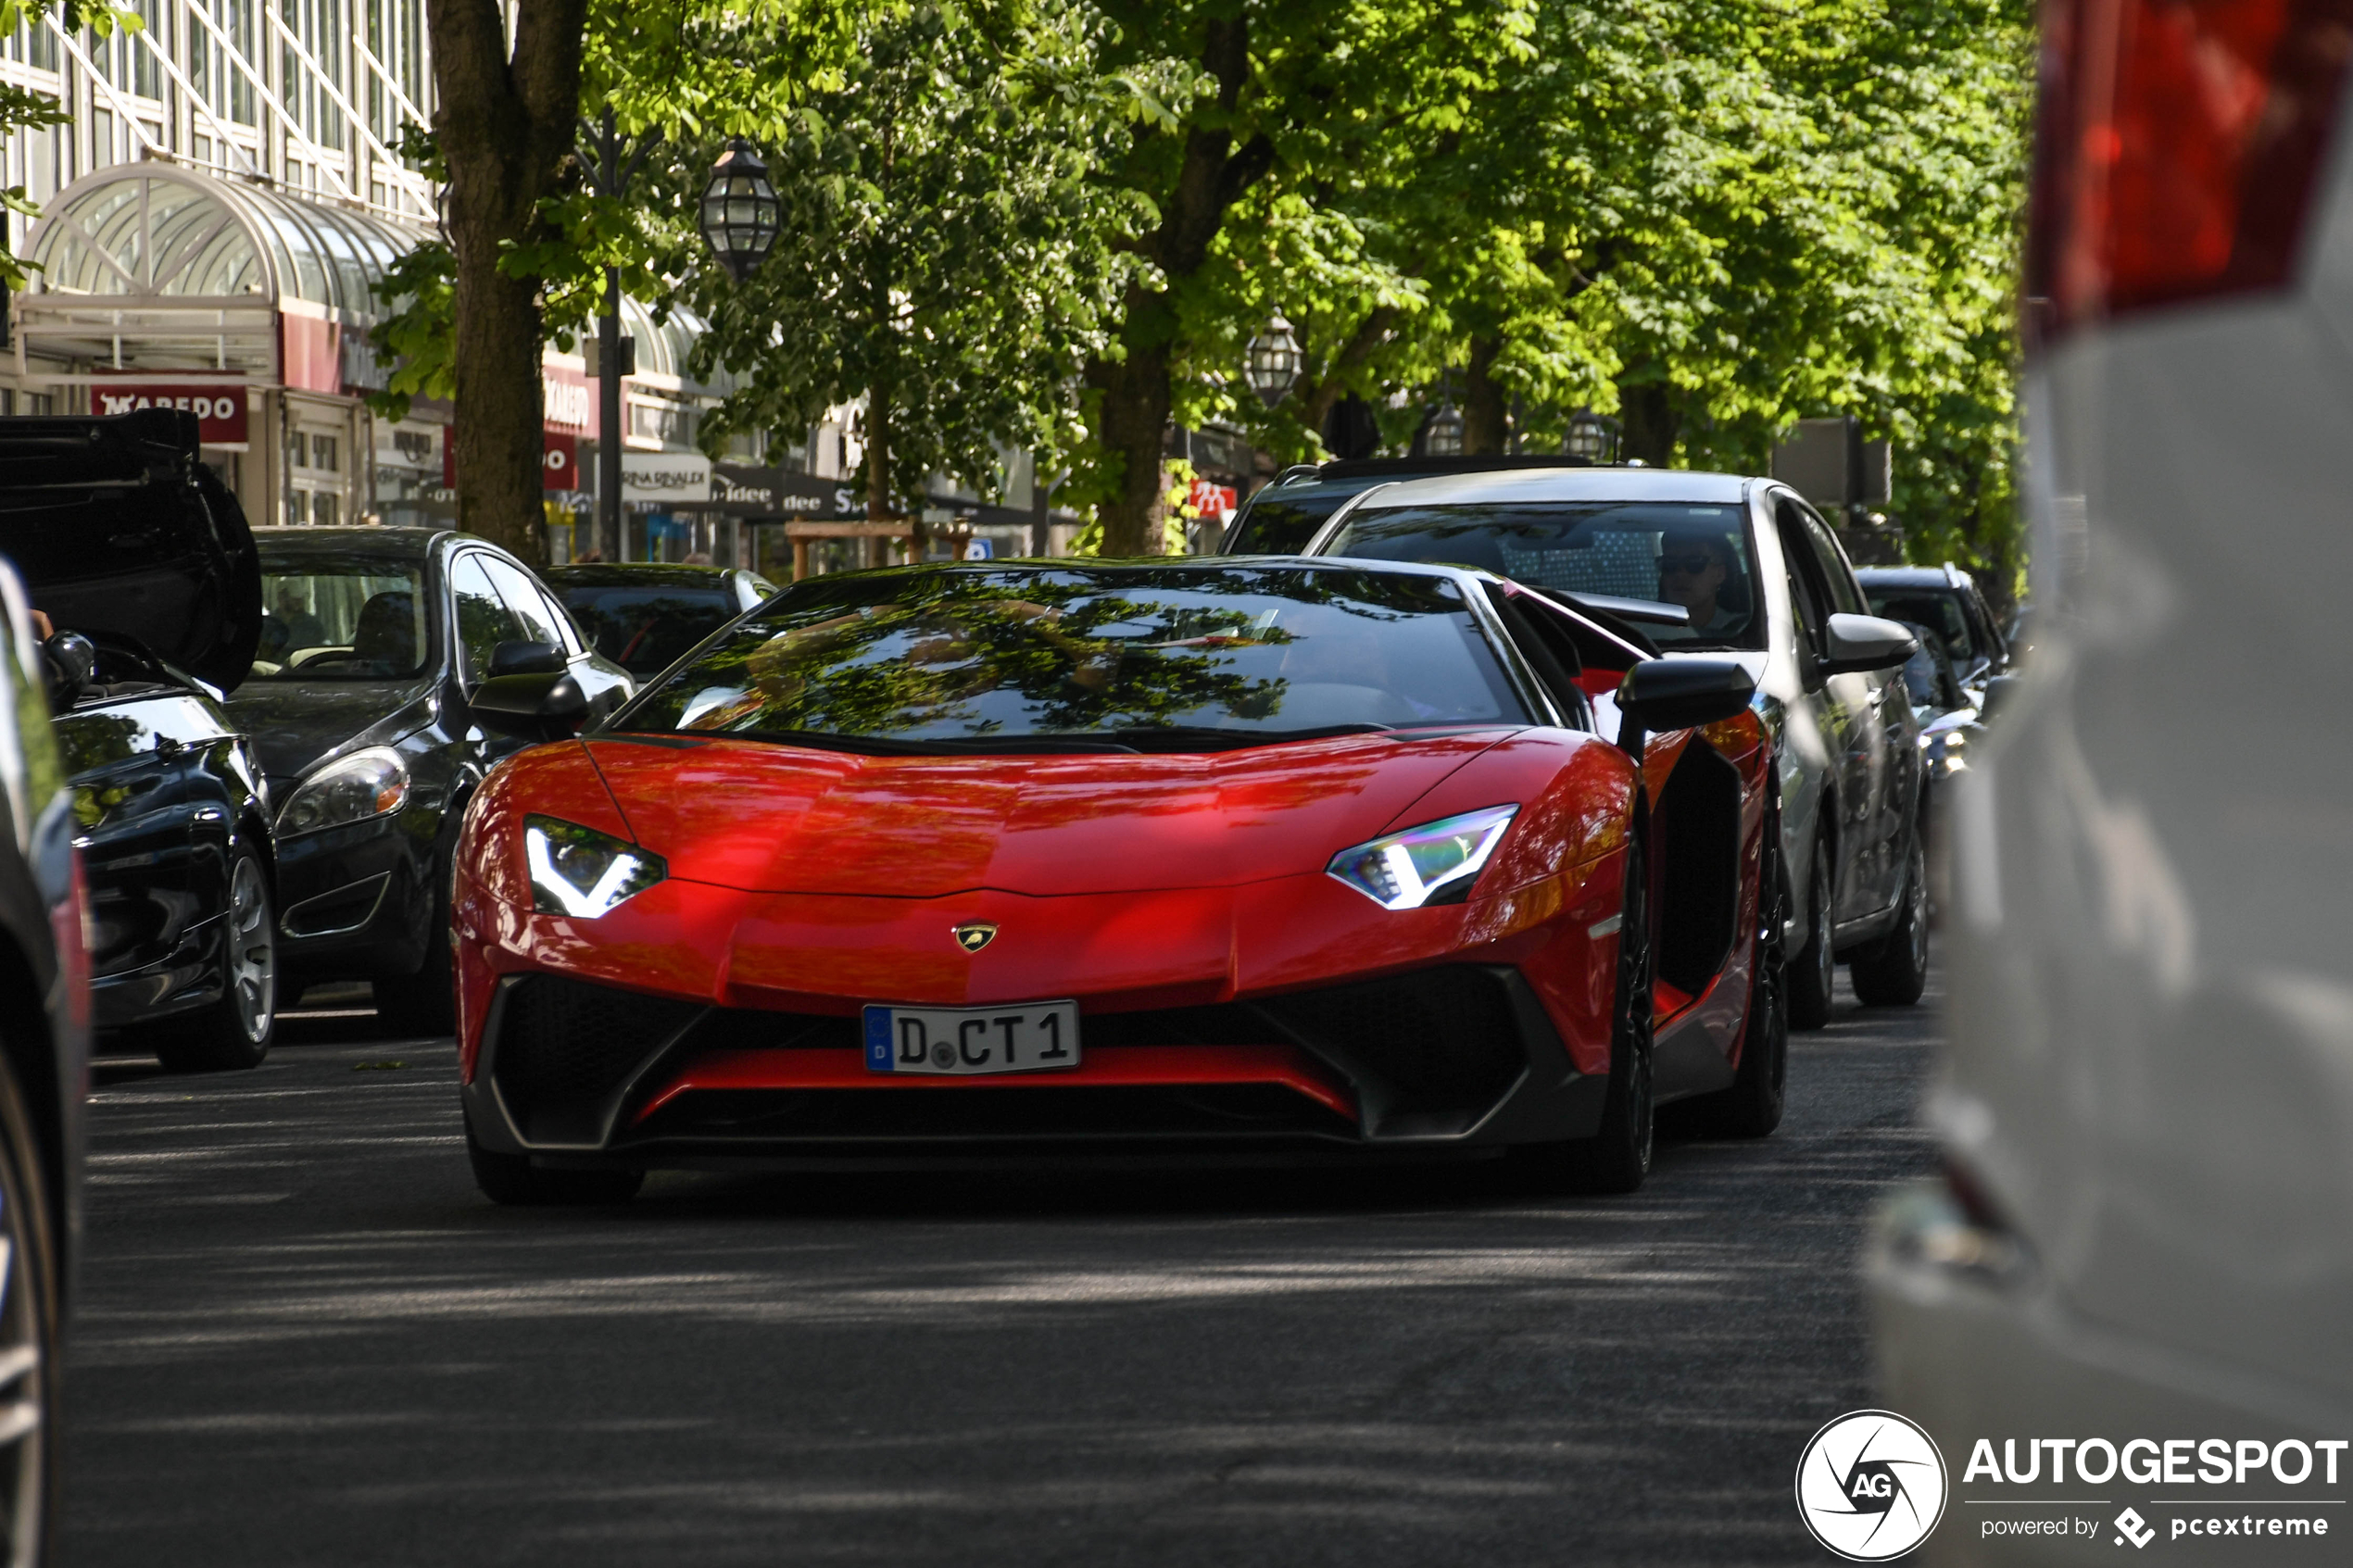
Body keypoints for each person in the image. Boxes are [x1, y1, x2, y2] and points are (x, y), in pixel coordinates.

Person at [1655, 531, 1744, 639]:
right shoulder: (1641, 635)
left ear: (1720, 574)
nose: (1680, 574)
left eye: (1695, 563)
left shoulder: (1744, 631)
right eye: (1669, 564)